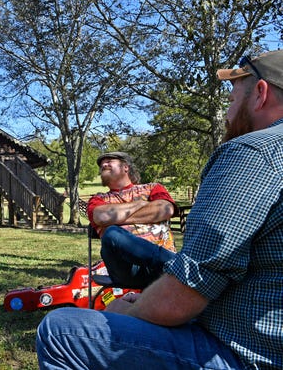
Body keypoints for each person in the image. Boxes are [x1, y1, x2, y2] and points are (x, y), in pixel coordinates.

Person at [36, 49, 283, 369]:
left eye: (234, 96)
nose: (228, 108)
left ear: (260, 93)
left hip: (245, 351)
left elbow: (167, 215)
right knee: (113, 236)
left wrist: (131, 310)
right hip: (144, 268)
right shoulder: (101, 197)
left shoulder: (252, 151)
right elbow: (103, 218)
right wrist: (143, 210)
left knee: (60, 331)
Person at [87, 151, 177, 288]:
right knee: (111, 233)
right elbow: (102, 217)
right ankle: (178, 263)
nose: (103, 165)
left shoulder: (152, 188)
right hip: (128, 271)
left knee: (111, 227)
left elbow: (165, 209)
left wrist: (117, 217)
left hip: (162, 267)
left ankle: (172, 262)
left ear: (126, 167)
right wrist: (139, 204)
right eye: (101, 164)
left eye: (109, 161)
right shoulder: (98, 199)